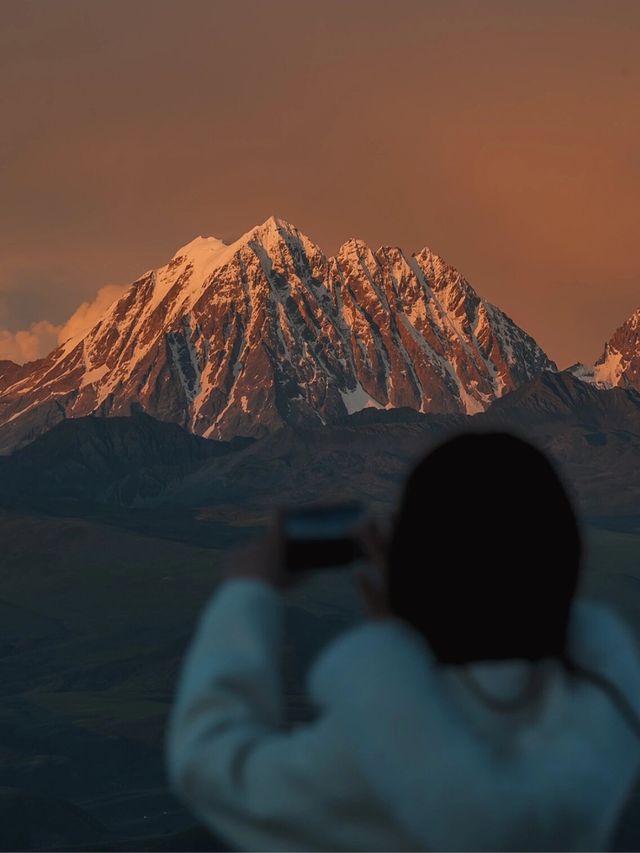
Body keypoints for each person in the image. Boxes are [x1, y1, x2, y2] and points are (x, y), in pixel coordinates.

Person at [166, 432, 640, 851]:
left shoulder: (368, 760)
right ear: (565, 557)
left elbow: (211, 764)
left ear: (415, 566)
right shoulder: (614, 718)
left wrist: (248, 591)